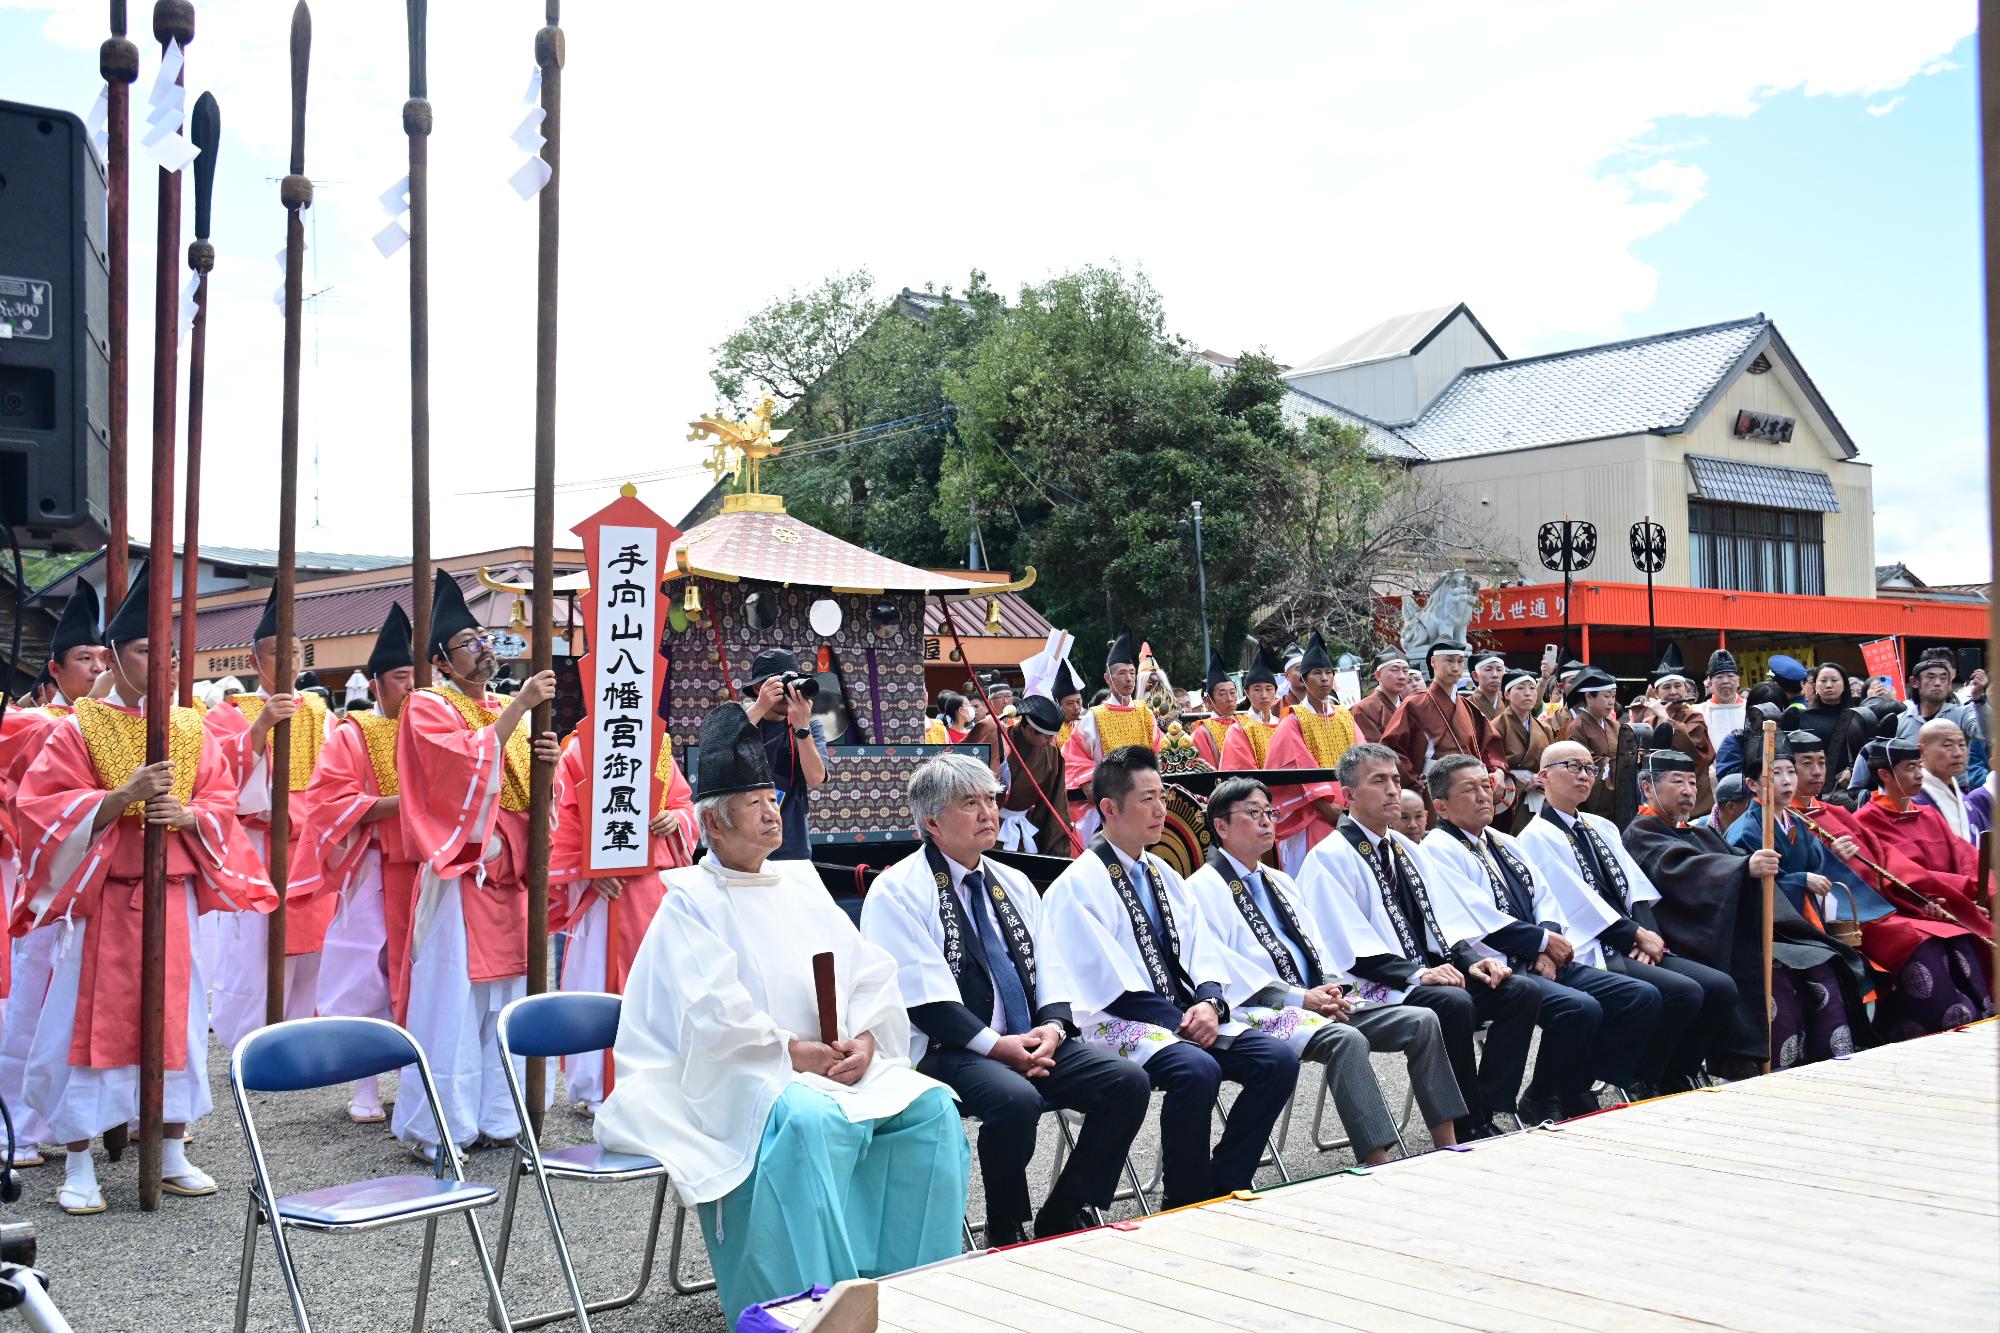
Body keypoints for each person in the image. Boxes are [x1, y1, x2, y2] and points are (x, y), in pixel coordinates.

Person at [595, 705, 968, 1324]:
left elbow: (868, 971)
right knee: (806, 1119)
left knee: (929, 1108)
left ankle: (907, 1295)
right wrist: (795, 1054)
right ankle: (810, 1306)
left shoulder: (798, 882)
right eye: (754, 802)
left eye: (773, 797)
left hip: (830, 1061)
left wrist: (869, 1041)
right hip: (734, 1073)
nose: (773, 812)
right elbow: (711, 1015)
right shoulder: (689, 900)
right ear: (713, 821)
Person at [12, 563, 275, 1213]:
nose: (158, 662)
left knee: (179, 1023)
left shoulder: (190, 725)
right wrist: (118, 797)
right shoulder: (75, 725)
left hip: (173, 896)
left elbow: (220, 796)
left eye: (170, 651)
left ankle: (174, 1144)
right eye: (143, 650)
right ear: (115, 656)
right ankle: (78, 1162)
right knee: (81, 1026)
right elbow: (40, 809)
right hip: (102, 903)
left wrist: (190, 816)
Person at [860, 754, 1148, 1244]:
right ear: (931, 821)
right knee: (1015, 1099)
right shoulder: (898, 891)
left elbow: (1052, 971)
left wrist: (1053, 1030)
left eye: (991, 800)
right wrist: (998, 1047)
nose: (988, 813)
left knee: (1127, 1081)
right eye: (969, 803)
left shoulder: (1011, 881)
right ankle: (1006, 1224)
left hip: (1029, 1038)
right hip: (944, 1049)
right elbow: (923, 1000)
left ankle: (1066, 1208)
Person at [1039, 745, 1300, 1208]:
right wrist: (1185, 1019)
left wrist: (1212, 1003)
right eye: (1147, 799)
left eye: (1162, 796)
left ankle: (1223, 1181)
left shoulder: (1165, 872)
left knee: (1276, 1060)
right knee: (1195, 1070)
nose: (1161, 809)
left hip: (1184, 1014)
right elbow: (1105, 982)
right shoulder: (1078, 885)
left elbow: (1203, 951)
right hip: (1116, 1020)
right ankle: (1184, 1196)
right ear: (1109, 809)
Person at [1187, 777, 1465, 1162]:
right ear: (1220, 826)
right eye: (1254, 814)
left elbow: (1319, 948)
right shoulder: (1200, 889)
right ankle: (1378, 1160)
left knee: (1423, 1021)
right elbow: (1225, 969)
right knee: (1345, 1040)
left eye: (1269, 812)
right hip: (1265, 1008)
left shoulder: (1281, 880)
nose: (1267, 821)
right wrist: (1303, 998)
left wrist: (1333, 990)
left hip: (1319, 1000)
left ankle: (1447, 1143)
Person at [393, 570, 562, 1160]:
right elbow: (456, 772)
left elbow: (533, 792)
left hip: (511, 875)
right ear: (441, 660)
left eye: (484, 638)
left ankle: (499, 1115)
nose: (484, 648)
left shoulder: (499, 709)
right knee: (454, 1005)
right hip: (465, 874)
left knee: (508, 1000)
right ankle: (439, 1126)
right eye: (468, 642)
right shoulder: (427, 705)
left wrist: (549, 760)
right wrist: (518, 711)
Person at [1295, 743, 1539, 1140]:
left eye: (1395, 779)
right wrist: (1419, 974)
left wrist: (1469, 959)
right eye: (1379, 781)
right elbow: (1347, 946)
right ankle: (1466, 1123)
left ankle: (1488, 1102)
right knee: (1453, 1002)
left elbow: (1442, 918)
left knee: (1518, 992)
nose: (1393, 789)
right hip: (1373, 986)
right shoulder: (1330, 857)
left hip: (1425, 974)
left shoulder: (1406, 847)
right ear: (1349, 796)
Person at [1417, 756, 1662, 1117]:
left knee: (1639, 997)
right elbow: (1474, 916)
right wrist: (1540, 944)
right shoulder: (1436, 848)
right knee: (1579, 1009)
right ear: (1440, 806)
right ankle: (1537, 1098)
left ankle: (1569, 1086)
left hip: (1538, 958)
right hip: (1499, 964)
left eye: (1485, 785)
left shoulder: (1502, 839)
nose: (1484, 795)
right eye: (1469, 790)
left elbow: (1545, 897)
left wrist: (1547, 944)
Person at [1620, 744, 1857, 1077]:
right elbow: (1682, 870)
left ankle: (1825, 1061)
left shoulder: (1700, 832)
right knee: (1771, 973)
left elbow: (1737, 864)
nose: (1689, 791)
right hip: (1684, 937)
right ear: (1648, 788)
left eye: (1692, 782)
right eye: (1678, 783)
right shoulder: (1641, 834)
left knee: (1822, 960)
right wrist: (1742, 868)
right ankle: (1766, 1065)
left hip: (1729, 929)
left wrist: (1753, 867)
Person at [1520, 743, 1739, 1088]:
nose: (1583, 774)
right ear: (1544, 776)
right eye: (1573, 766)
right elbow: (1577, 902)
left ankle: (1672, 1068)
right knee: (1680, 992)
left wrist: (1649, 937)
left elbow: (1636, 889)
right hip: (1594, 944)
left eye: (1590, 768)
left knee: (1719, 987)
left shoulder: (1600, 826)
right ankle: (1641, 1076)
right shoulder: (1533, 837)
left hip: (1630, 937)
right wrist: (1634, 936)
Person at [290, 605, 420, 1124]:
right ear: (376, 682)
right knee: (366, 973)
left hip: (428, 869)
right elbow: (328, 800)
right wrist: (399, 805)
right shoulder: (353, 732)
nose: (410, 689)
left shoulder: (435, 728)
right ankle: (365, 1083)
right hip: (372, 867)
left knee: (424, 971)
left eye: (416, 678)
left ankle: (417, 1078)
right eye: (400, 678)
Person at [1784, 730, 1991, 1037]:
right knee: (1917, 940)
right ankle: (1933, 1022)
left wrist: (1924, 901)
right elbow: (1793, 872)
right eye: (1805, 764)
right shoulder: (1786, 819)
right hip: (1844, 916)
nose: (1816, 772)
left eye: (1821, 762)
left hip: (1888, 904)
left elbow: (1887, 865)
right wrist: (1829, 859)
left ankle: (1981, 1010)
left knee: (1956, 932)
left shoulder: (1838, 813)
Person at [0, 578, 107, 1163]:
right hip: (50, 878)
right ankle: (17, 1126)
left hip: (108, 885)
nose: (94, 669)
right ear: (54, 668)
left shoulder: (119, 724)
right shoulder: (35, 722)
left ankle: (96, 1118)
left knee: (94, 1004)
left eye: (100, 658)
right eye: (82, 660)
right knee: (32, 1003)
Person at [548, 711, 698, 1113]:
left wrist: (677, 819)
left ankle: (655, 1082)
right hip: (606, 889)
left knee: (658, 982)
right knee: (600, 978)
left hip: (654, 884)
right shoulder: (579, 746)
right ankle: (598, 1085)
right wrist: (587, 872)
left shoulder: (658, 743)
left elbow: (683, 802)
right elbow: (564, 819)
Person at [203, 586, 334, 1048]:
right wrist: (258, 729)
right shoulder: (231, 712)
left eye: (296, 652)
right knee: (253, 947)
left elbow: (332, 775)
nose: (290, 662)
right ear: (255, 659)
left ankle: (302, 1032)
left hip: (309, 845)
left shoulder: (318, 710)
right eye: (279, 653)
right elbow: (217, 775)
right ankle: (249, 1035)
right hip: (259, 844)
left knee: (313, 943)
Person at [1712, 729, 1874, 1067]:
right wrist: (1800, 879)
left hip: (1801, 925)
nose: (1786, 780)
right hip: (1770, 929)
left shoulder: (1794, 821)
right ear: (1753, 785)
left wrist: (1836, 858)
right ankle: (1785, 1061)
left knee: (1836, 966)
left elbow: (1818, 867)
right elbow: (1746, 884)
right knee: (1804, 975)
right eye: (1775, 774)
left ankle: (1833, 1056)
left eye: (1789, 772)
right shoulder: (1745, 829)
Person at [1259, 632, 1360, 874]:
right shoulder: (1294, 719)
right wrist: (1328, 809)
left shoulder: (1344, 715)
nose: (1325, 678)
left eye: (1328, 672)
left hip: (1352, 808)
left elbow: (1362, 757)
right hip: (1313, 813)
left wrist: (1355, 806)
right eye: (1317, 673)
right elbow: (1294, 765)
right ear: (1303, 680)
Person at [1060, 631, 1163, 843]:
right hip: (1110, 797)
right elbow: (1072, 756)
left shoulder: (1144, 712)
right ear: (1108, 678)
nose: (1128, 679)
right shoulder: (1095, 717)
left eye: (1132, 673)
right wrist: (1090, 780)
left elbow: (1158, 748)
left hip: (1145, 794)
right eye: (1122, 673)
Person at [1380, 641, 1507, 807]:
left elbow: (1489, 746)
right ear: (1433, 662)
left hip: (1472, 788)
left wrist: (1497, 771)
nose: (1455, 667)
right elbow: (1391, 747)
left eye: (1460, 661)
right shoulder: (1414, 705)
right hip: (1434, 789)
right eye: (1449, 660)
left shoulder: (1469, 707)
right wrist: (1413, 781)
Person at [741, 648, 831, 861]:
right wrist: (760, 707)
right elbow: (719, 753)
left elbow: (816, 779)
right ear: (757, 688)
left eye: (792, 684)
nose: (788, 692)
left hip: (791, 844)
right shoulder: (739, 720)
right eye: (780, 685)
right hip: (742, 845)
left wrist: (801, 727)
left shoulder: (810, 726)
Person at [1894, 649, 1987, 789]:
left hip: (1957, 790)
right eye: (1930, 677)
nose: (1937, 683)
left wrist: (1979, 700)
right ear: (1914, 682)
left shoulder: (1962, 713)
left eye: (1943, 678)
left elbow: (1985, 733)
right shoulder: (1900, 720)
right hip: (1913, 795)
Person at [997, 695, 1076, 855]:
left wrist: (1057, 847)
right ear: (1029, 730)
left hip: (1026, 826)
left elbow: (1056, 801)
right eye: (1047, 737)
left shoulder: (1051, 753)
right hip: (992, 824)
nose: (1050, 741)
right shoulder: (999, 740)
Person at [1643, 649, 1716, 818]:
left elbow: (1692, 751)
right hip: (1660, 795)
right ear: (1656, 693)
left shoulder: (1694, 717)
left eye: (1678, 686)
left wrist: (1664, 717)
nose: (1673, 692)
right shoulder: (1649, 721)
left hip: (1695, 801)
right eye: (1666, 687)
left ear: (1686, 689)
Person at [1561, 668, 1636, 824]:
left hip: (1618, 795)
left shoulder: (1615, 725)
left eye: (1613, 697)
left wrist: (1633, 756)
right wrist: (1620, 762)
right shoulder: (1577, 726)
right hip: (1591, 796)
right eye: (1606, 696)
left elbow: (1627, 752)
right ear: (1589, 696)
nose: (1611, 702)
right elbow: (1583, 761)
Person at [1495, 669, 1561, 835]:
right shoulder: (1496, 726)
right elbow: (1492, 765)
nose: (1528, 693)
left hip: (1540, 792)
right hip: (1511, 797)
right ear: (1507, 694)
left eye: (1532, 688)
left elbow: (1552, 762)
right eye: (1520, 688)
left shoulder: (1544, 728)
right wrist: (1523, 783)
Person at [1794, 662, 1870, 787]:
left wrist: (1853, 771)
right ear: (1815, 686)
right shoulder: (1801, 718)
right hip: (1810, 789)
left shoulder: (1860, 716)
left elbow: (1870, 754)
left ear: (1845, 685)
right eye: (1823, 681)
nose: (1829, 685)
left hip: (1848, 791)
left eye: (1834, 680)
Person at [1219, 644, 1286, 769]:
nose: (1264, 695)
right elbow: (1239, 769)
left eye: (1269, 689)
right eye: (1257, 689)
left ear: (1275, 692)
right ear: (1247, 693)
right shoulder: (1238, 729)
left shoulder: (1283, 725)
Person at [1914, 719, 1977, 842]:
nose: (1958, 753)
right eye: (1948, 746)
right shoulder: (1914, 799)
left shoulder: (1965, 799)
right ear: (1922, 751)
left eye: (1961, 745)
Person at [1350, 649, 1412, 744]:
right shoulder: (1363, 709)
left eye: (1405, 671)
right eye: (1394, 670)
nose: (1402, 676)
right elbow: (1375, 752)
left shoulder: (1410, 706)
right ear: (1378, 675)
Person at [1191, 648, 1239, 768]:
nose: (1229, 698)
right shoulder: (1202, 733)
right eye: (1222, 694)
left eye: (1232, 692)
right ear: (1209, 701)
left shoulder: (1245, 724)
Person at [1695, 648, 1746, 744]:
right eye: (1719, 677)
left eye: (1730, 676)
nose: (1725, 681)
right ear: (1710, 684)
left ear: (1738, 681)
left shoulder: (1750, 709)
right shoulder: (1698, 711)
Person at [1052, 659, 1085, 751]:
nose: (1076, 707)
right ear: (1058, 704)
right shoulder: (1052, 731)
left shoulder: (1083, 726)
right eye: (1070, 703)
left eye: (1078, 701)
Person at [1466, 651, 1507, 720]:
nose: (1495, 675)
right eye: (1488, 670)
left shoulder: (1511, 705)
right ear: (1475, 676)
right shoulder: (1465, 705)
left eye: (1499, 670)